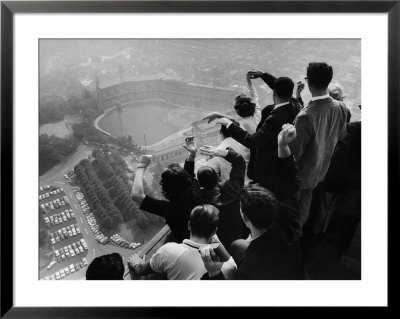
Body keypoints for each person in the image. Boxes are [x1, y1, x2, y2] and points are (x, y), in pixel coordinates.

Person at [200, 124, 304, 280]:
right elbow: (288, 182)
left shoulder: (249, 267)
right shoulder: (290, 226)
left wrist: (214, 274)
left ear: (245, 218)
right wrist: (283, 145)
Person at [211, 75, 300, 190]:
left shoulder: (273, 118)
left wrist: (227, 123)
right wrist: (263, 75)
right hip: (283, 165)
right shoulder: (294, 106)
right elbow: (261, 95)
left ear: (274, 92)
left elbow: (251, 141)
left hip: (269, 172)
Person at [289, 62, 348, 228]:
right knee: (301, 217)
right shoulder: (341, 107)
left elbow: (294, 154)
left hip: (299, 179)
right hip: (319, 172)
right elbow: (341, 135)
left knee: (292, 219)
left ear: (309, 83)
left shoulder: (305, 116)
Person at [127, 204, 237, 280]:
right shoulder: (229, 265)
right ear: (215, 231)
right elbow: (230, 263)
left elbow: (141, 269)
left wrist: (135, 262)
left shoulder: (169, 251)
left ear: (189, 225)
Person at [184, 136, 248, 251]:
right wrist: (220, 152)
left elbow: (188, 178)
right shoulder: (233, 189)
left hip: (217, 248)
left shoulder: (197, 199)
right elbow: (239, 162)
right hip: (240, 240)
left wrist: (192, 155)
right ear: (217, 177)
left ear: (199, 183)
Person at [130, 154, 199, 243]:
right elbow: (188, 175)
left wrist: (141, 165)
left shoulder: (169, 209)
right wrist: (192, 156)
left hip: (185, 244)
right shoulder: (197, 192)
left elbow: (136, 195)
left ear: (165, 188)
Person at [201, 119, 249, 183]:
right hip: (253, 185)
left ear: (221, 133)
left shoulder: (216, 153)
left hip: (232, 189)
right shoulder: (249, 146)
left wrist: (206, 160)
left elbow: (207, 174)